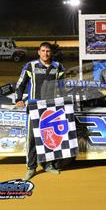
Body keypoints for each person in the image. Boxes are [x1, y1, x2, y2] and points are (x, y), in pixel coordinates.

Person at [15, 42, 65, 180]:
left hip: (51, 107)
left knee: (50, 137)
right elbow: (20, 84)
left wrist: (63, 103)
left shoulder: (58, 67)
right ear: (38, 52)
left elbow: (62, 88)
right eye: (43, 51)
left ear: (51, 53)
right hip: (34, 107)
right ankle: (31, 168)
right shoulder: (31, 66)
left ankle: (48, 165)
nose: (45, 54)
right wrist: (18, 99)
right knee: (32, 139)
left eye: (48, 51)